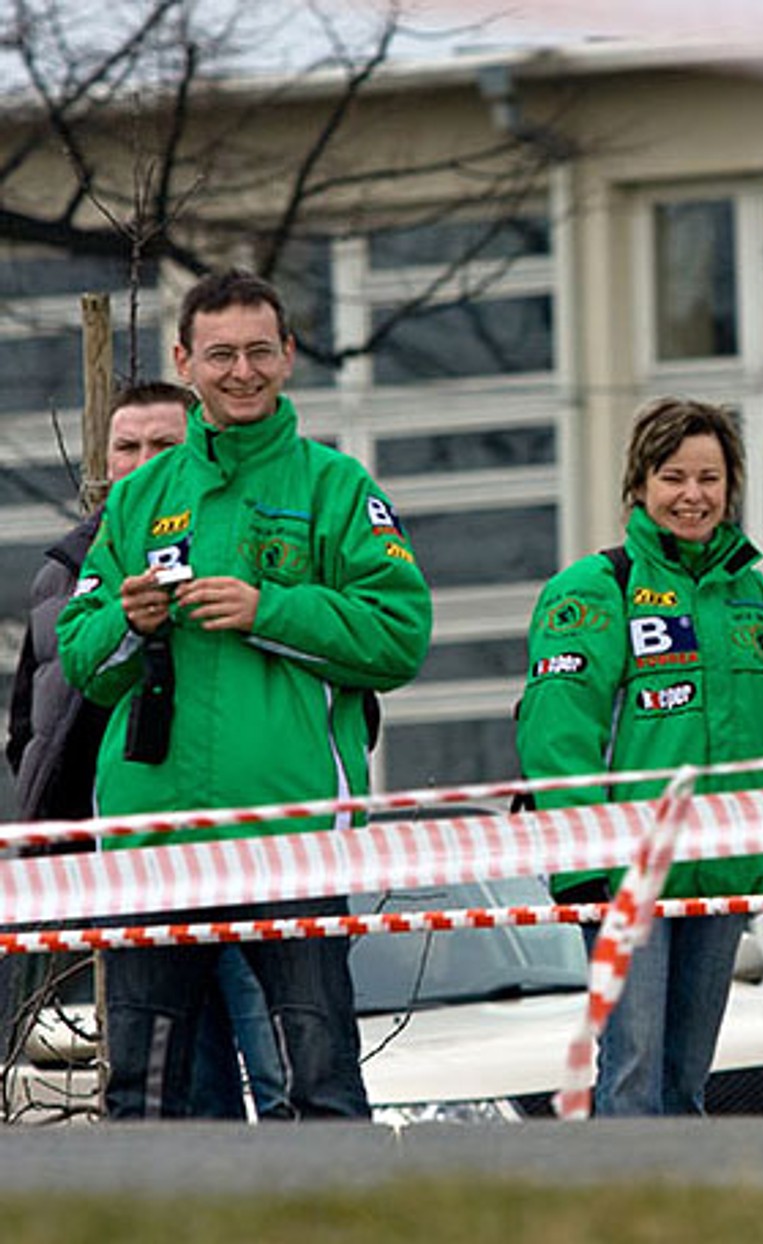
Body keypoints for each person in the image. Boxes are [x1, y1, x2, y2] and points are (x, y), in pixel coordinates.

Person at [57, 270, 432, 1120]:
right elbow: (80, 654)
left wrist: (271, 611)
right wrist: (130, 618)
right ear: (185, 362)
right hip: (155, 831)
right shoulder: (141, 495)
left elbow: (401, 634)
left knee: (319, 1077)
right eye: (220, 354)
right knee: (143, 1091)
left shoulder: (337, 487)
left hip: (290, 826)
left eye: (260, 351)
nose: (241, 371)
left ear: (290, 357)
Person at [517, 397, 763, 1116]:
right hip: (628, 877)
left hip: (723, 867)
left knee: (687, 1080)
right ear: (640, 485)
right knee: (631, 1076)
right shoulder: (595, 588)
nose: (693, 496)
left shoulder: (749, 593)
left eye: (709, 479)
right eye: (674, 477)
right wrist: (585, 864)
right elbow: (558, 736)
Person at [4, 383, 284, 1119]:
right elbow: (34, 728)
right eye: (125, 447)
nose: (141, 462)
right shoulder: (62, 573)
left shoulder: (248, 544)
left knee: (283, 1080)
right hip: (134, 869)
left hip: (253, 853)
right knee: (177, 1094)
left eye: (163, 444)